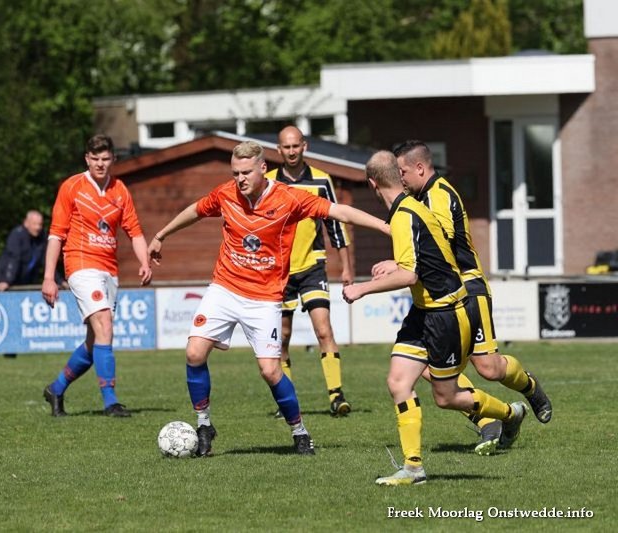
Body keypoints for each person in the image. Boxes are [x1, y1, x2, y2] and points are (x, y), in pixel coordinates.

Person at [148, 141, 390, 456]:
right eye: (235, 173)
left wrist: (385, 226)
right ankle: (204, 424)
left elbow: (339, 211)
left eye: (246, 172)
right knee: (194, 353)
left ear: (263, 168)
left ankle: (300, 432)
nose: (240, 179)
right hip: (224, 288)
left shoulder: (289, 198)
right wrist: (160, 235)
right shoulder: (226, 194)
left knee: (270, 371)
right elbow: (195, 210)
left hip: (263, 298)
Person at [343, 151, 526, 486]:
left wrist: (362, 288)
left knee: (446, 397)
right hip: (424, 310)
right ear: (398, 176)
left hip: (446, 313)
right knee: (398, 382)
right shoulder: (412, 208)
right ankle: (413, 469)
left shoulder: (405, 215)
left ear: (372, 184)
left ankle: (509, 413)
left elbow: (409, 275)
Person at [382, 140, 552, 455]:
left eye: (402, 171)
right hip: (441, 296)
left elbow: (441, 245)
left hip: (468, 287)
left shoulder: (438, 195)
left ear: (420, 168)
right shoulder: (417, 198)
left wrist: (400, 264)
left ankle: (529, 388)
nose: (400, 178)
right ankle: (490, 419)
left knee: (489, 368)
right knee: (425, 367)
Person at [41, 134, 152, 418]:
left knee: (94, 342)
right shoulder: (72, 187)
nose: (100, 164)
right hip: (80, 264)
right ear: (87, 159)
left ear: (113, 159)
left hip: (108, 270)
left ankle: (56, 389)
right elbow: (56, 235)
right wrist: (49, 277)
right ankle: (110, 401)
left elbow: (135, 232)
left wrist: (144, 262)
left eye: (105, 159)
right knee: (104, 323)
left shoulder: (120, 190)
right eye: (95, 159)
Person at [265, 125, 353, 417]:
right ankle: (286, 401)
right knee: (282, 337)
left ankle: (337, 396)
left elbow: (335, 224)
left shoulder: (321, 180)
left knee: (323, 329)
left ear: (304, 146)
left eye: (296, 146)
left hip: (313, 267)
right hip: (279, 272)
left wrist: (346, 267)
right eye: (286, 147)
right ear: (279, 150)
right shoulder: (267, 183)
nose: (291, 151)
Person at [0, 210, 48, 291]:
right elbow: (13, 258)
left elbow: (47, 260)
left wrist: (59, 281)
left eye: (40, 224)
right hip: (5, 280)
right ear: (26, 223)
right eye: (34, 224)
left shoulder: (42, 237)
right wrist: (6, 280)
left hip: (26, 282)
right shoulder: (17, 235)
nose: (38, 227)